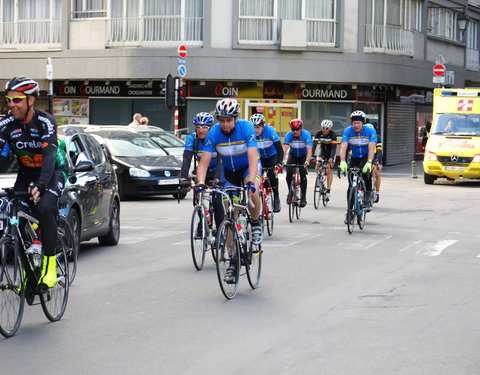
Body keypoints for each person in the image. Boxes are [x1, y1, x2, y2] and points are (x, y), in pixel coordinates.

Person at [0, 76, 67, 289]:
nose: (11, 105)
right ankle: (28, 272)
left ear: (30, 100)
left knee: (45, 206)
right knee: (15, 220)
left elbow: (48, 158)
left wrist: (41, 184)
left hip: (52, 172)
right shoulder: (5, 125)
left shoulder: (46, 122)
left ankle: (49, 267)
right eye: (8, 100)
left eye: (17, 100)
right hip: (26, 175)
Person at [195, 98, 262, 283]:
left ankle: (256, 222)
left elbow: (252, 157)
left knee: (253, 191)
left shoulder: (246, 128)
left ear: (236, 118)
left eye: (229, 120)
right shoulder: (214, 133)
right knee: (230, 214)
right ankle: (233, 261)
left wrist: (250, 181)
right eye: (222, 120)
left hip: (249, 167)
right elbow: (204, 163)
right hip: (230, 173)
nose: (225, 124)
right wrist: (200, 183)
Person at [180, 112, 223, 229]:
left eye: (204, 127)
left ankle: (220, 229)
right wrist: (183, 178)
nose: (200, 130)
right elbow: (186, 160)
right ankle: (203, 222)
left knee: (217, 200)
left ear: (210, 128)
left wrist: (217, 179)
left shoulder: (216, 139)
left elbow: (221, 161)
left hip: (219, 171)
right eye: (198, 127)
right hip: (203, 172)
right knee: (197, 196)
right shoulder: (193, 139)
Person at [339, 110, 377, 220]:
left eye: (358, 123)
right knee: (351, 186)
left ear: (363, 123)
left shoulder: (370, 131)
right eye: (354, 123)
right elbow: (343, 147)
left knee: (366, 174)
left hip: (366, 156)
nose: (356, 125)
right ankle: (349, 212)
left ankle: (368, 197)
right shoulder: (348, 131)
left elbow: (371, 148)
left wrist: (369, 162)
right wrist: (342, 161)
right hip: (355, 156)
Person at [250, 113, 283, 212]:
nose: (255, 130)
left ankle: (276, 197)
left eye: (258, 127)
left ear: (263, 126)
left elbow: (280, 150)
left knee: (271, 174)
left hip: (272, 156)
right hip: (259, 157)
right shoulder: (250, 133)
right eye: (253, 127)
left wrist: (278, 163)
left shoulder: (270, 131)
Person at [283, 119, 312, 208]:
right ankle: (290, 192)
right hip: (293, 155)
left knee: (303, 174)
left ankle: (303, 197)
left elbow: (309, 151)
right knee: (288, 172)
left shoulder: (306, 135)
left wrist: (307, 161)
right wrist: (281, 161)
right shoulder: (288, 135)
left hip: (303, 155)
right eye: (293, 130)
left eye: (297, 129)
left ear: (301, 129)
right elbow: (284, 149)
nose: (294, 131)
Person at [312, 119, 337, 201]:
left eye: (327, 128)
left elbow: (334, 148)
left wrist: (331, 158)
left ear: (330, 128)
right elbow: (314, 146)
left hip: (331, 152)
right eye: (323, 128)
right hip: (322, 151)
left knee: (329, 169)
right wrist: (312, 156)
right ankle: (319, 179)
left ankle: (328, 190)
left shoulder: (333, 134)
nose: (325, 130)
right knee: (317, 163)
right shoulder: (318, 133)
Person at [366, 123, 383, 203]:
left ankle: (377, 192)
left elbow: (379, 151)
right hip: (367, 156)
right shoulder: (364, 137)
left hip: (376, 156)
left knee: (377, 173)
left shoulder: (377, 137)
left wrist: (378, 161)